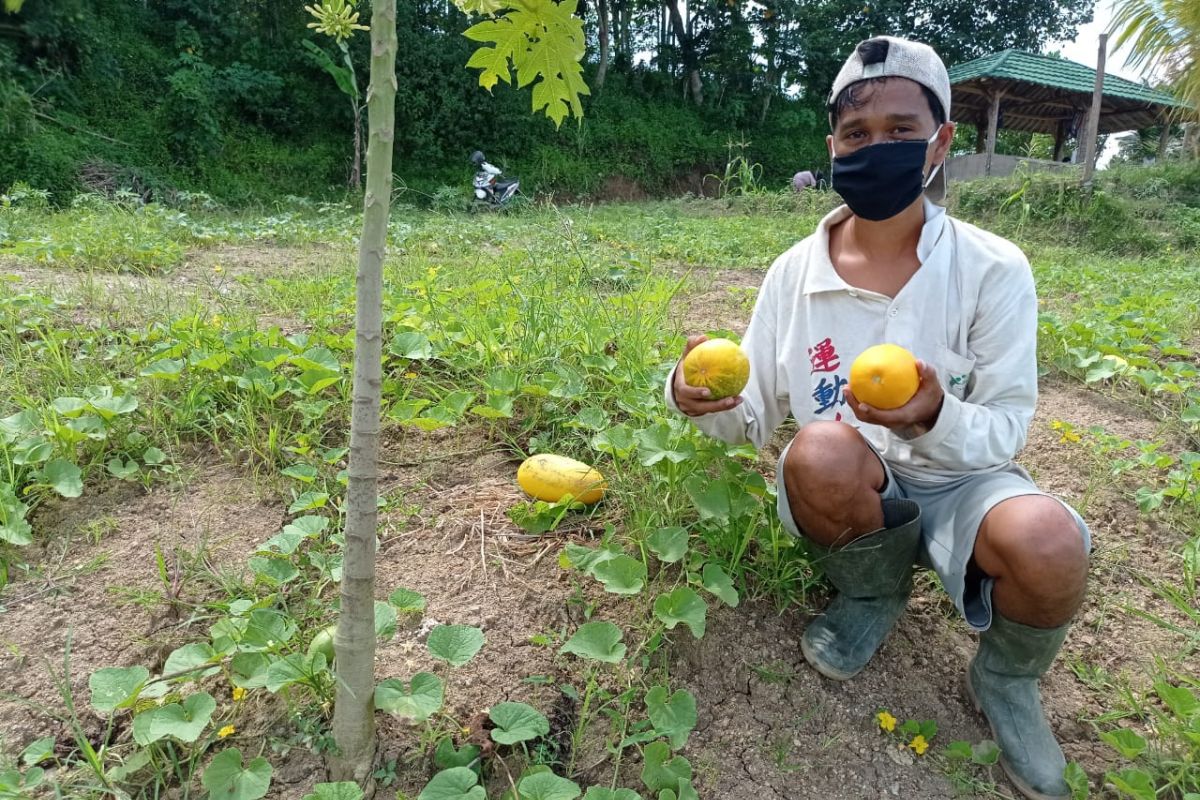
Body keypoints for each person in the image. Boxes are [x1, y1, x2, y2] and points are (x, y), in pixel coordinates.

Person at [665, 36, 1089, 800]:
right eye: (858, 135)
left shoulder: (994, 268)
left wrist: (935, 417)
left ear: (941, 142)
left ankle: (1008, 680)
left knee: (1050, 540)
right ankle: (871, 591)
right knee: (819, 449)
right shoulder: (795, 273)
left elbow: (1006, 429)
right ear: (832, 147)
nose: (877, 148)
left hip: (967, 484)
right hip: (855, 491)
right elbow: (754, 420)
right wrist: (697, 398)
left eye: (901, 131)